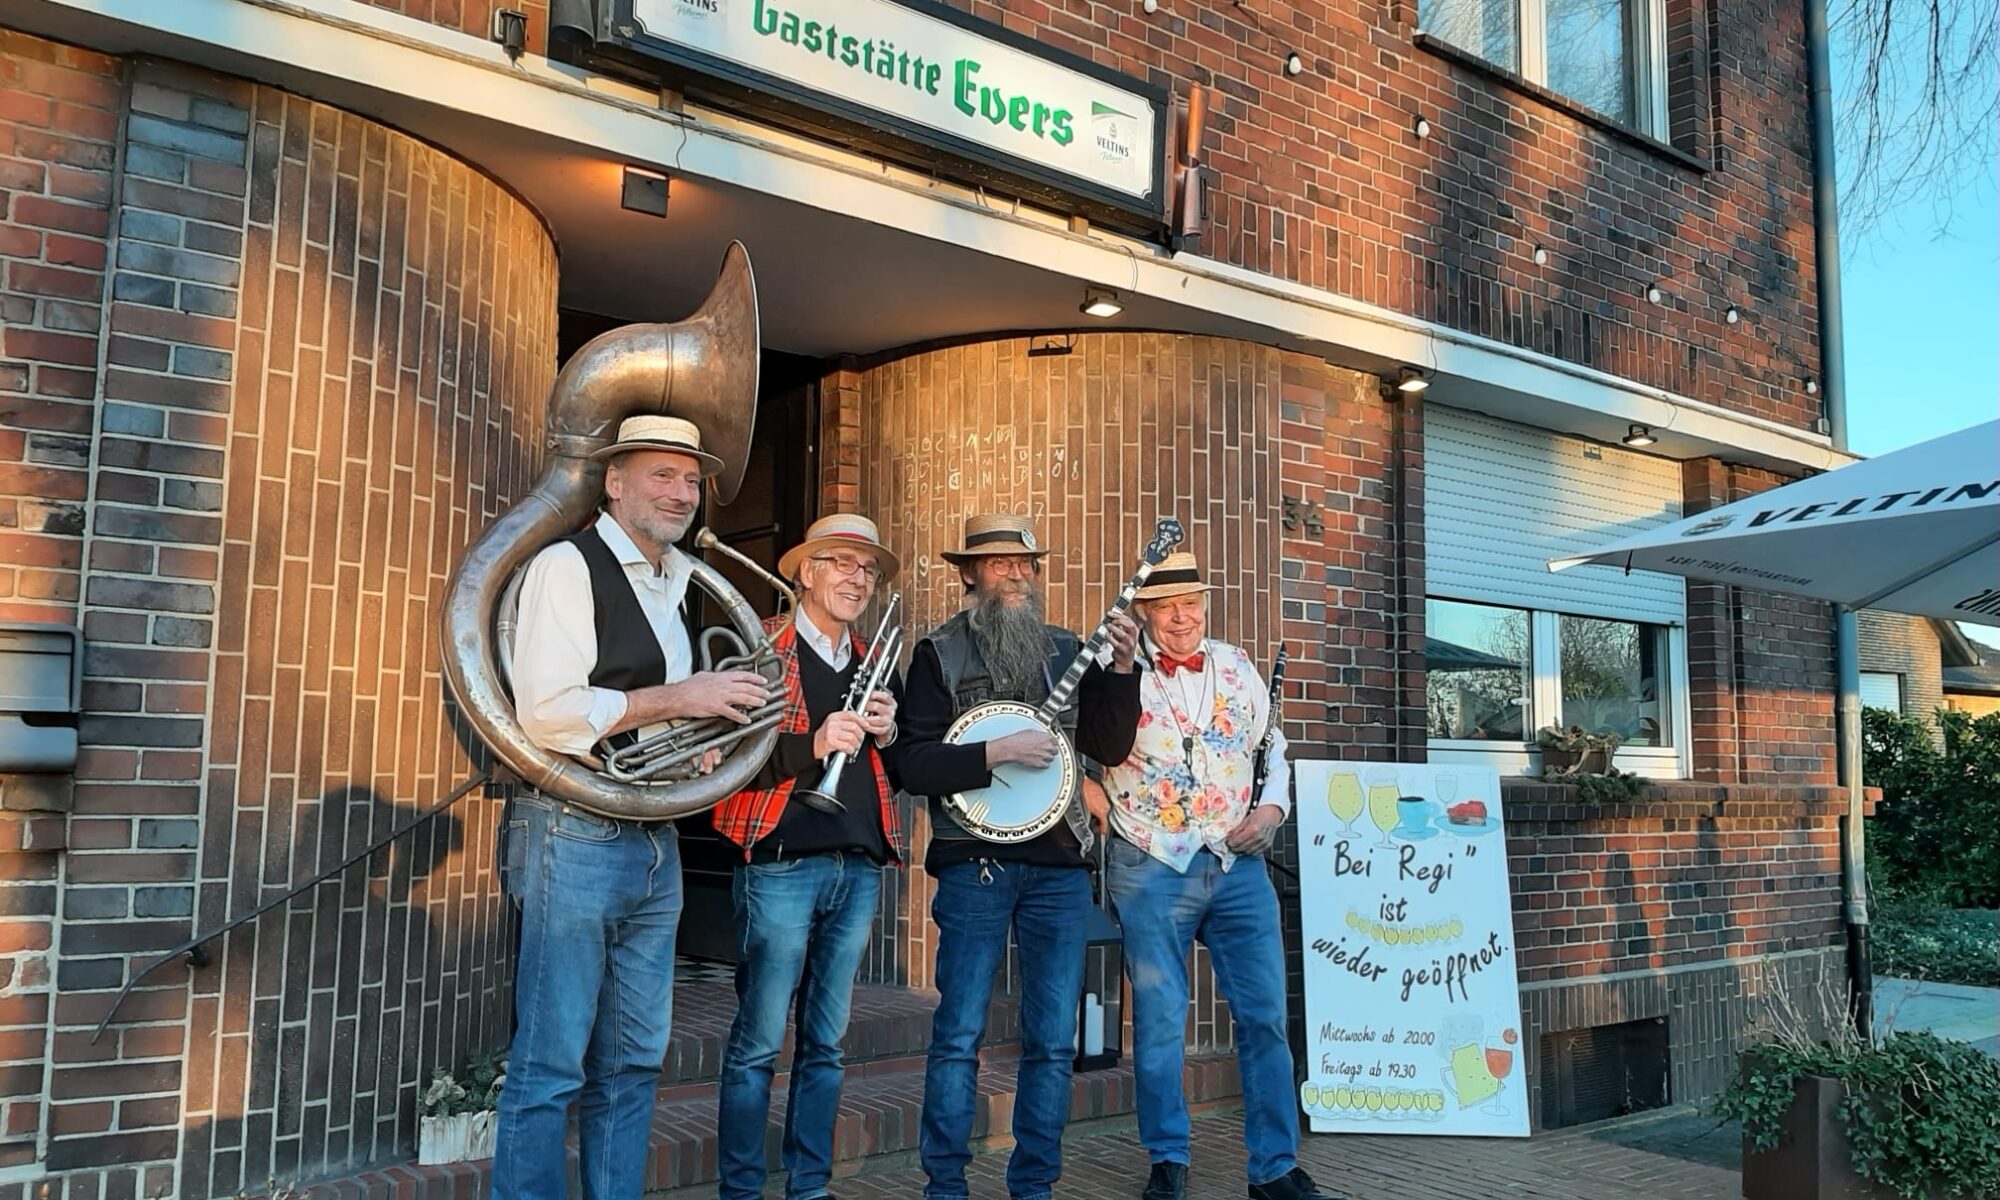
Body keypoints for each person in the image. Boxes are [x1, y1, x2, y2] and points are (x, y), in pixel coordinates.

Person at [494, 414, 771, 1200]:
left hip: (655, 839)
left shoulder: (676, 580)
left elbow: (649, 714)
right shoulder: (565, 567)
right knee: (551, 1062)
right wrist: (684, 695)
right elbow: (547, 713)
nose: (682, 493)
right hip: (571, 834)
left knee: (635, 1059)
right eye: (662, 475)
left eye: (690, 480)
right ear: (614, 482)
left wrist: (695, 742)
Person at [897, 513, 1142, 1200]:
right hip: (974, 863)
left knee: (1051, 1040)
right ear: (969, 572)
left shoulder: (1067, 650)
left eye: (1026, 562)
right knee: (958, 1033)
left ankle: (1034, 1184)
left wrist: (1121, 668)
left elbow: (1109, 742)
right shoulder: (937, 654)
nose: (1016, 572)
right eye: (999, 561)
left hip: (1060, 867)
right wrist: (994, 753)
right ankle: (944, 1185)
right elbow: (912, 764)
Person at [1095, 552, 1340, 1200]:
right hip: (1152, 865)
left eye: (1192, 601)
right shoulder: (1115, 670)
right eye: (1166, 604)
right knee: (1159, 1018)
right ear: (1145, 612)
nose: (1183, 615)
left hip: (1238, 867)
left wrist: (1272, 808)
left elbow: (1272, 748)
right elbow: (1097, 748)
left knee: (1264, 1017)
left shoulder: (1235, 665)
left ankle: (1275, 1168)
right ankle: (1168, 1161)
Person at [709, 513, 906, 1200]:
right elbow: (722, 758)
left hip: (857, 867)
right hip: (781, 861)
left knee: (826, 1045)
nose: (858, 578)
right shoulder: (760, 646)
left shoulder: (876, 661)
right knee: (759, 1042)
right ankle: (740, 1189)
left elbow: (901, 770)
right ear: (805, 572)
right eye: (843, 562)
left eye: (869, 569)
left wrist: (891, 731)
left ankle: (809, 1186)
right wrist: (811, 747)